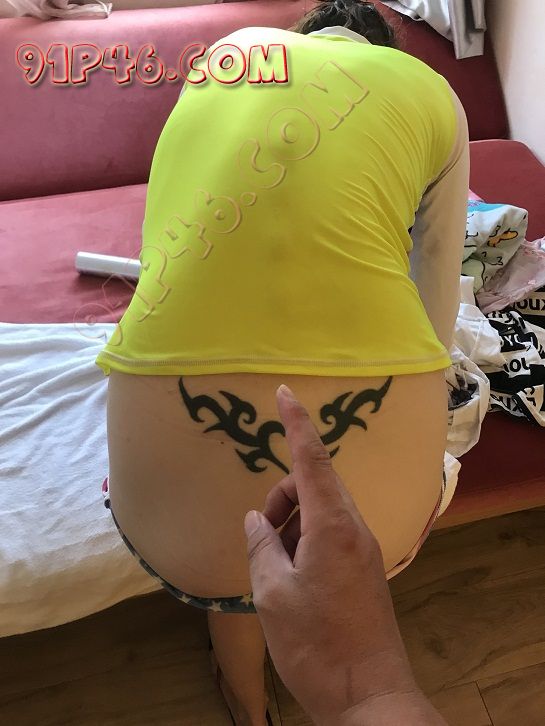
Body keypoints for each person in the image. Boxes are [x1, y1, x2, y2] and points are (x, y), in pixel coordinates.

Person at [96, 1, 469, 724]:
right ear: (382, 51)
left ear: (303, 36)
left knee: (230, 546)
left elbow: (167, 229)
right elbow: (438, 291)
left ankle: (243, 693)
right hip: (382, 516)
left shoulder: (227, 57)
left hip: (166, 512)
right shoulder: (431, 93)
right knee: (331, 514)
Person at [244, 383, 447, 725]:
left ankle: (248, 712)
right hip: (396, 529)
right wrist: (373, 693)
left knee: (232, 615)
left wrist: (364, 696)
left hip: (193, 549)